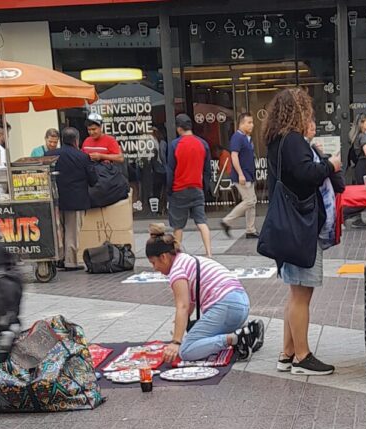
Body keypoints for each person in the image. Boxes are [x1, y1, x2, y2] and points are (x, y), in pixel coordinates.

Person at [264, 88, 342, 376]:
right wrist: (330, 165)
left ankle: (287, 353)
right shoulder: (293, 141)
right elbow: (307, 175)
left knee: (295, 291)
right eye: (307, 110)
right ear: (299, 111)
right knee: (301, 294)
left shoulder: (277, 140)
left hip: (289, 225)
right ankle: (302, 356)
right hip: (301, 226)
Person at [145, 224, 265, 362]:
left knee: (186, 350)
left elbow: (182, 306)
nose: (154, 268)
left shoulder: (177, 271)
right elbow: (189, 304)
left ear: (163, 257)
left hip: (226, 307)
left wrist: (176, 342)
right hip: (241, 303)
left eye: (153, 263)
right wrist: (181, 326)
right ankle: (249, 330)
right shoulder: (186, 259)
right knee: (200, 336)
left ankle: (236, 338)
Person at [46, 127, 97, 271]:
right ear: (76, 140)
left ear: (62, 139)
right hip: (76, 199)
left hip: (55, 199)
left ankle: (58, 258)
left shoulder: (50, 155)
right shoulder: (83, 157)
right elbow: (93, 180)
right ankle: (70, 261)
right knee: (72, 232)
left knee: (58, 230)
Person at [166, 113, 213, 258]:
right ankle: (209, 252)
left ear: (179, 128)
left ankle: (177, 255)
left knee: (178, 226)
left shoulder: (174, 145)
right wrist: (204, 187)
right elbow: (207, 170)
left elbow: (170, 169)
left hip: (179, 189)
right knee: (201, 222)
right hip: (196, 188)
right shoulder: (203, 144)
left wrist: (169, 189)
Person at [221, 113, 259, 239]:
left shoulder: (247, 138)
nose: (252, 125)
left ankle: (250, 229)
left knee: (252, 202)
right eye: (249, 122)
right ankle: (227, 221)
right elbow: (234, 156)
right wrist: (240, 174)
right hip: (242, 175)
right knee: (249, 201)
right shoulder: (237, 137)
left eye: (252, 122)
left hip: (249, 174)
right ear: (241, 123)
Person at [344, 113, 366, 228]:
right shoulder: (363, 136)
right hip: (365, 166)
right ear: (362, 123)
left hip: (360, 167)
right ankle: (344, 211)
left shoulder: (357, 136)